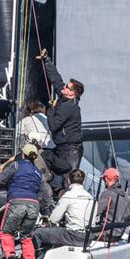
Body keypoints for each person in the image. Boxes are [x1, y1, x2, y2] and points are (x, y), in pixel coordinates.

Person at [0, 144, 44, 259]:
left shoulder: (15, 165)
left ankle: (10, 258)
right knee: (27, 236)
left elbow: (1, 177)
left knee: (6, 232)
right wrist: (47, 212)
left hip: (17, 202)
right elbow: (45, 192)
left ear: (22, 154)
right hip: (34, 205)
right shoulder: (38, 172)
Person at [36, 49, 84, 184]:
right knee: (44, 156)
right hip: (62, 147)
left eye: (68, 87)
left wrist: (51, 109)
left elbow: (54, 126)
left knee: (71, 181)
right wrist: (47, 61)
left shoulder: (69, 107)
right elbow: (56, 79)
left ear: (72, 94)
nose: (64, 88)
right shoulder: (64, 96)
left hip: (71, 150)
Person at [33, 169, 94, 250]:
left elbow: (54, 219)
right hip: (88, 237)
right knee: (56, 234)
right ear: (83, 181)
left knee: (39, 233)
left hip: (73, 236)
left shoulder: (68, 195)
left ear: (69, 180)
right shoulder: (91, 198)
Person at [96, 168, 130, 241]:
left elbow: (95, 212)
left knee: (83, 233)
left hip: (106, 233)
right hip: (119, 234)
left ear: (106, 179)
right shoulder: (126, 196)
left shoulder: (107, 194)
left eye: (103, 179)